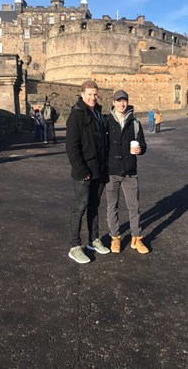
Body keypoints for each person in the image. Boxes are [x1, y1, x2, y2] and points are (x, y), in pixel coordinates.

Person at [66, 80, 110, 264]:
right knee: (80, 207)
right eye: (90, 94)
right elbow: (72, 147)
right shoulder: (76, 116)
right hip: (84, 170)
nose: (93, 97)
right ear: (82, 94)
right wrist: (81, 169)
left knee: (94, 206)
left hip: (99, 168)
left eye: (95, 94)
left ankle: (94, 240)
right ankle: (75, 246)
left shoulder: (98, 113)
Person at [105, 90, 149, 254]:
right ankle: (115, 238)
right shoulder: (106, 121)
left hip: (130, 171)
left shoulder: (134, 122)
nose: (122, 104)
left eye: (124, 101)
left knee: (134, 207)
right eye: (119, 101)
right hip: (111, 171)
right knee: (112, 206)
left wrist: (140, 149)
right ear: (113, 102)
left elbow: (143, 144)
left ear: (127, 102)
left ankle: (136, 238)